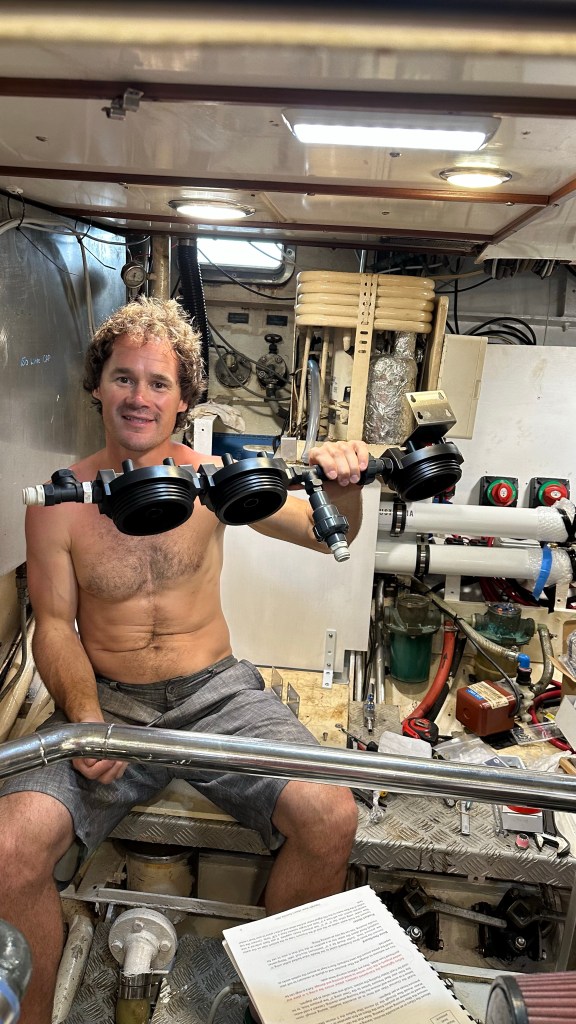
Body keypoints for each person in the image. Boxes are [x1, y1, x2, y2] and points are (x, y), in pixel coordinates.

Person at [0, 297, 369, 1024]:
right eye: (124, 377)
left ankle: (273, 1010)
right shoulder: (57, 503)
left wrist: (342, 488)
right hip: (110, 700)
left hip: (216, 695)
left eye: (158, 382)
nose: (139, 396)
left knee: (331, 815)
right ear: (97, 385)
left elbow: (327, 533)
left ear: (184, 399)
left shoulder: (215, 480)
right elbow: (55, 626)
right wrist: (85, 714)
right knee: (8, 847)